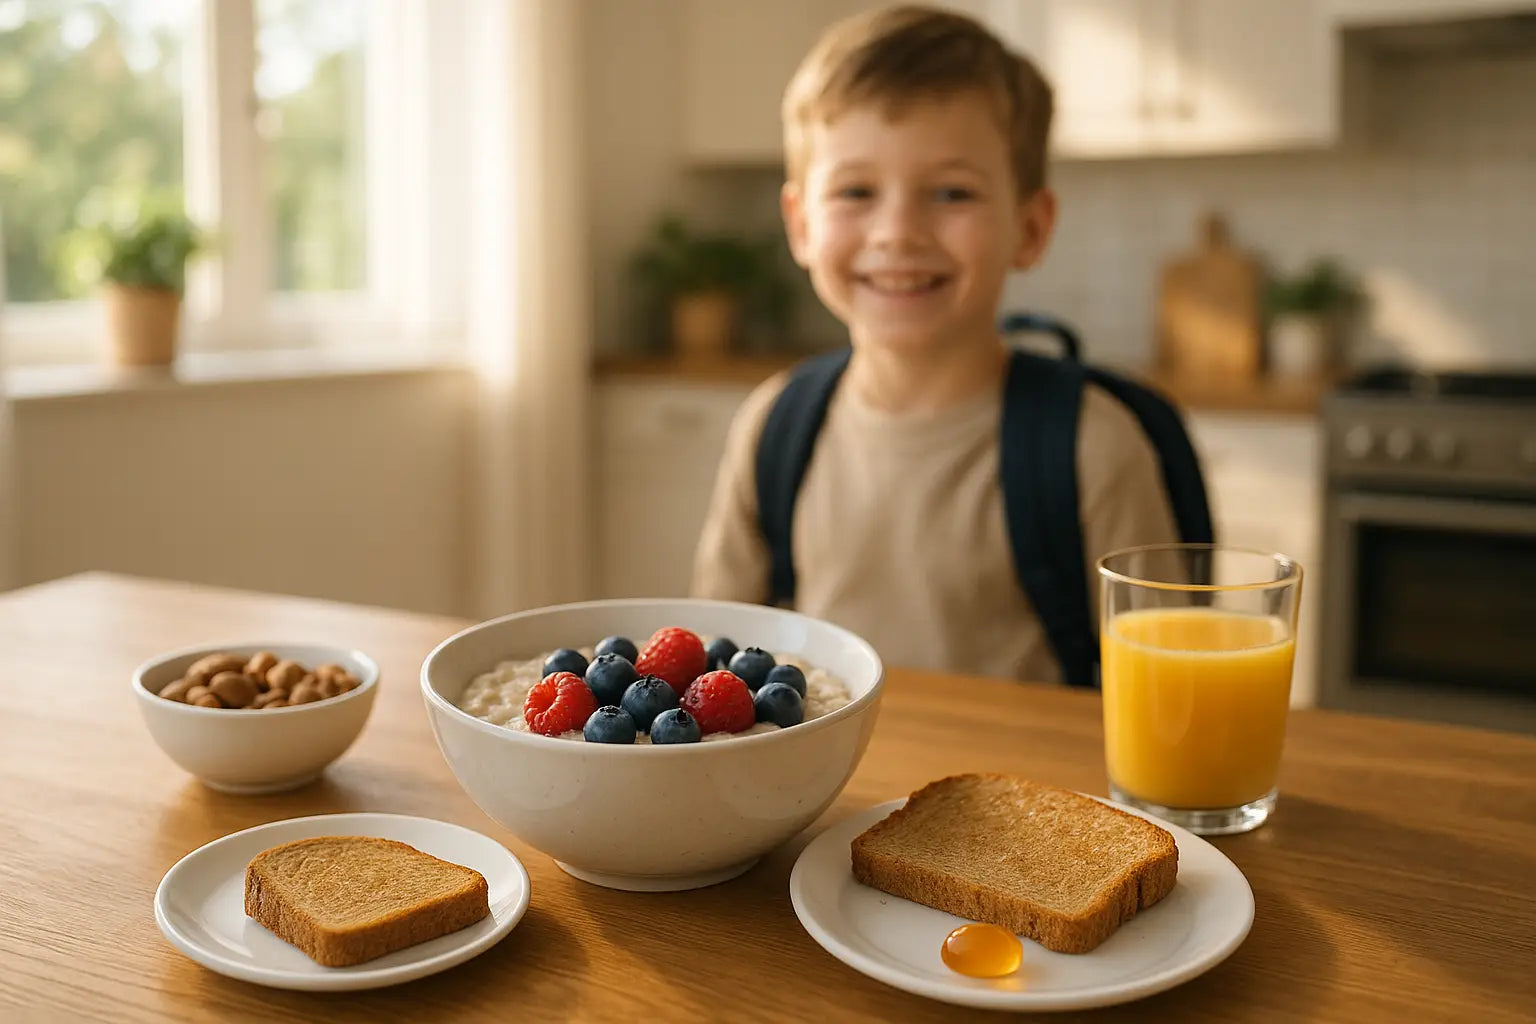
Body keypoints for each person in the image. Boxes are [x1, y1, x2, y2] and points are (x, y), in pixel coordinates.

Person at [690, 4, 1179, 684]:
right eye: (856, 190)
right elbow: (714, 672)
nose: (898, 231)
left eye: (952, 192)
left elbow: (1164, 692)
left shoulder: (1096, 446)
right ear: (801, 226)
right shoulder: (773, 425)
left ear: (1030, 228)